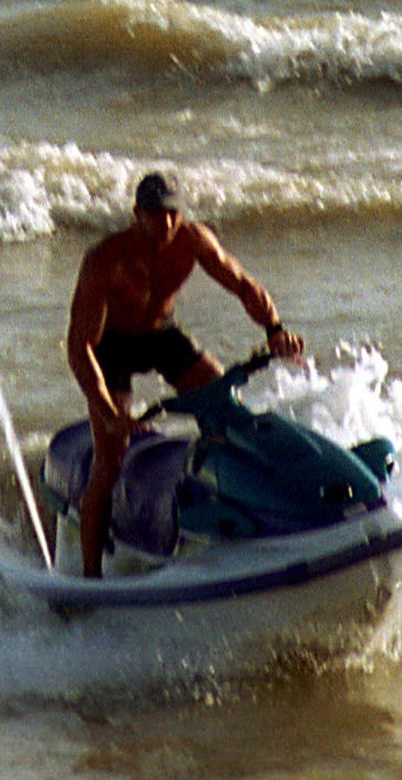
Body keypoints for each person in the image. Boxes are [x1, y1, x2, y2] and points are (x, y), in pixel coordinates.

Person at [65, 170, 303, 576]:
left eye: (173, 214)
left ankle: (237, 518)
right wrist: (108, 410)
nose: (167, 224)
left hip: (162, 336)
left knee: (226, 411)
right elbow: (79, 347)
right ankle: (90, 577)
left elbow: (243, 284)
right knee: (110, 455)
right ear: (137, 213)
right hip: (112, 347)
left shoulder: (192, 241)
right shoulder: (106, 260)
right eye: (156, 215)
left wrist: (275, 329)